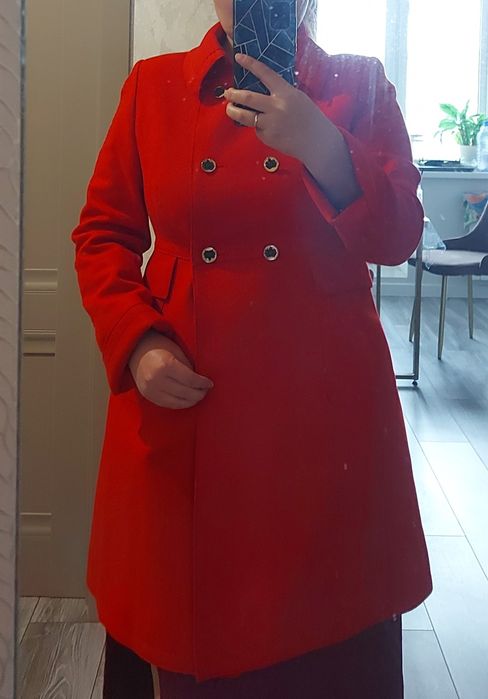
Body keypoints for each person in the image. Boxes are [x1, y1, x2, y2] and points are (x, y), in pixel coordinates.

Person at [71, 1, 433, 697]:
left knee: (331, 657)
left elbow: (398, 237)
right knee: (191, 654)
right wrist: (137, 340)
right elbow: (102, 234)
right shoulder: (154, 86)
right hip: (191, 421)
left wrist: (321, 142)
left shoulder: (360, 83)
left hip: (324, 434)